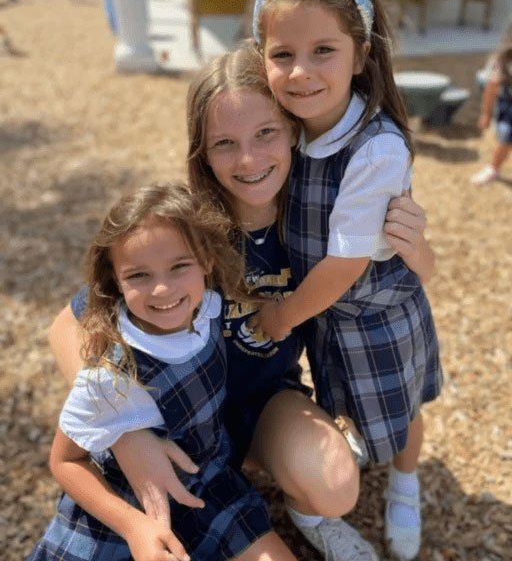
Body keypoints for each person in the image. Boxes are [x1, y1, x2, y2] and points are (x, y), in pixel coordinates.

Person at [49, 47, 434, 561]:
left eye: (266, 134)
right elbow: (66, 324)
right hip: (176, 418)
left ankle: (305, 511)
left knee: (336, 485)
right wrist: (123, 431)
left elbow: (399, 289)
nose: (249, 160)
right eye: (224, 144)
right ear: (201, 153)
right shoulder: (187, 228)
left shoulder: (328, 221)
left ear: (294, 131)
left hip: (264, 402)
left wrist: (420, 251)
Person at [250, 0, 443, 560]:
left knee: (403, 404)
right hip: (325, 311)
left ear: (360, 55)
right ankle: (327, 491)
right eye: (283, 55)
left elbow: (345, 264)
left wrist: (279, 317)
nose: (301, 71)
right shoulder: (286, 127)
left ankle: (406, 482)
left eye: (323, 52)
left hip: (375, 310)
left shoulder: (377, 148)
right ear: (263, 59)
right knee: (336, 400)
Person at [30, 183, 297, 561]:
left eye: (179, 266)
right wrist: (134, 527)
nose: (162, 288)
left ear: (207, 262)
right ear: (115, 282)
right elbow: (66, 461)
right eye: (139, 275)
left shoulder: (209, 309)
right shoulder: (110, 373)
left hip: (209, 488)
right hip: (132, 505)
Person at [471, 42, 512, 185]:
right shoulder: (505, 59)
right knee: (507, 136)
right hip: (508, 107)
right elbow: (491, 88)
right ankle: (494, 168)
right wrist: (486, 115)